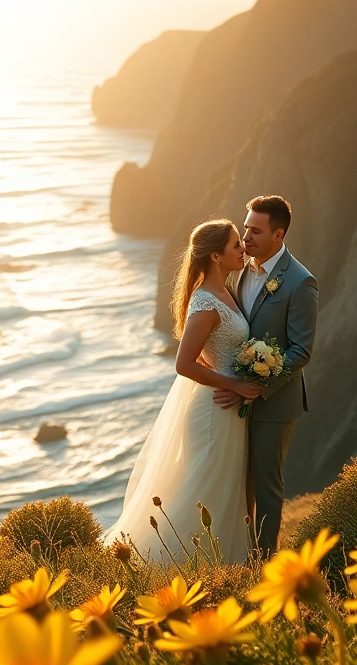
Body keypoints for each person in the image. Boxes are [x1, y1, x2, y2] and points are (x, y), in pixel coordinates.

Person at [109, 218, 260, 564]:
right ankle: (165, 563)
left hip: (226, 406)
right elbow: (184, 364)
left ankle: (224, 566)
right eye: (236, 244)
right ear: (216, 257)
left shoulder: (226, 289)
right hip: (212, 409)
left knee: (222, 489)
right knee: (206, 488)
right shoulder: (207, 302)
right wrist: (235, 384)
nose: (243, 249)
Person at [215, 195, 318, 558]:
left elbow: (300, 351)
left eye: (255, 231)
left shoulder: (300, 283)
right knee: (237, 482)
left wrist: (258, 388)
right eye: (245, 228)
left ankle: (264, 564)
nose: (246, 237)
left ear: (279, 233)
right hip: (238, 395)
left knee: (266, 487)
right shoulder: (240, 268)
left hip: (275, 402)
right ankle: (239, 554)